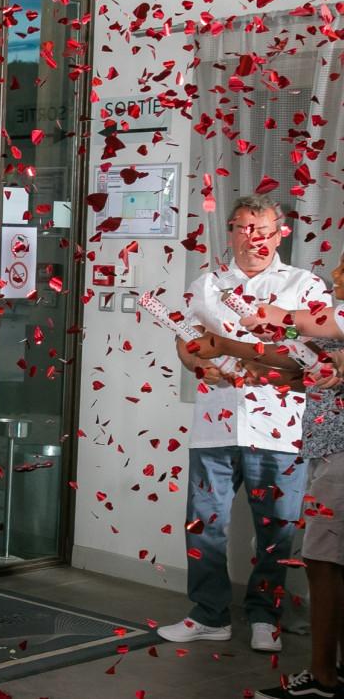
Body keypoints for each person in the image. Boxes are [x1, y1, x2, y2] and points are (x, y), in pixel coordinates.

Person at [158, 194, 329, 652]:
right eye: (244, 228)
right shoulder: (206, 285)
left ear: (280, 232)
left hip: (282, 426)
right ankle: (209, 614)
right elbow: (186, 338)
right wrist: (199, 366)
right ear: (231, 231)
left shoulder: (305, 286)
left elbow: (305, 357)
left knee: (278, 526)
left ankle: (264, 616)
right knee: (204, 523)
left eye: (264, 229)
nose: (254, 239)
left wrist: (234, 349)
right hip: (215, 422)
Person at [223, 261, 344, 699]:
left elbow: (300, 328)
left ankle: (323, 678)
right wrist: (247, 357)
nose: (338, 271)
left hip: (340, 455)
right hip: (327, 451)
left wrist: (266, 316)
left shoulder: (337, 317)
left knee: (321, 559)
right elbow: (301, 359)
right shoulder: (331, 323)